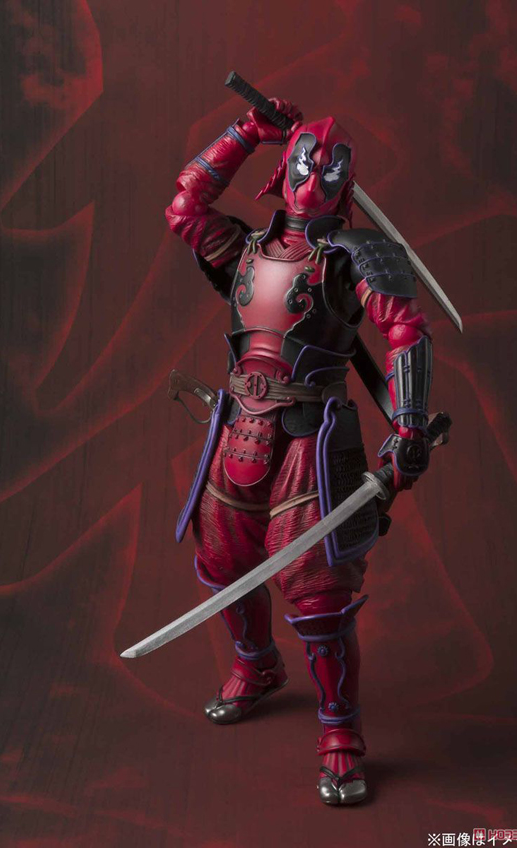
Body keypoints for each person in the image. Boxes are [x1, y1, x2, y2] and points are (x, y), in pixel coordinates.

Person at [165, 98, 433, 805]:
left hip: (311, 442)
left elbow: (405, 329)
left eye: (333, 167)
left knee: (320, 595)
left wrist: (408, 426)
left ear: (349, 182)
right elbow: (186, 205)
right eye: (307, 162)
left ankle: (340, 733)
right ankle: (257, 666)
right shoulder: (246, 250)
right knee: (223, 564)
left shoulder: (357, 255)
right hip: (237, 425)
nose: (317, 176)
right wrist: (245, 132)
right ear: (284, 168)